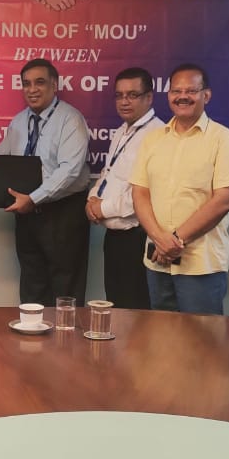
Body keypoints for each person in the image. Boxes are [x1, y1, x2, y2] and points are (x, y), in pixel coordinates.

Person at [131, 63, 229, 315]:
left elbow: (224, 200)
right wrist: (160, 239)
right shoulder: (153, 139)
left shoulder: (223, 140)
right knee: (161, 333)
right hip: (157, 261)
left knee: (201, 336)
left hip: (200, 265)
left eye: (191, 91)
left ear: (206, 95)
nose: (182, 97)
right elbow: (140, 193)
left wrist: (176, 240)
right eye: (176, 91)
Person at [0, 58, 92, 307]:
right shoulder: (19, 121)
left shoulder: (70, 119)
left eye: (39, 82)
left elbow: (70, 171)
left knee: (66, 289)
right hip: (27, 215)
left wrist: (33, 199)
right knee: (32, 285)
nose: (32, 89)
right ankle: (33, 332)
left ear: (54, 85)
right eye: (26, 84)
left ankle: (65, 334)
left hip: (63, 214)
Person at [85, 67, 163, 308]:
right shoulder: (121, 131)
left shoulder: (158, 135)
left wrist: (103, 209)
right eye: (119, 95)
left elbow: (146, 193)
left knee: (135, 309)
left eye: (132, 95)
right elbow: (108, 173)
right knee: (116, 306)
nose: (124, 101)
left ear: (149, 97)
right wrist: (92, 200)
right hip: (115, 237)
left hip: (138, 236)